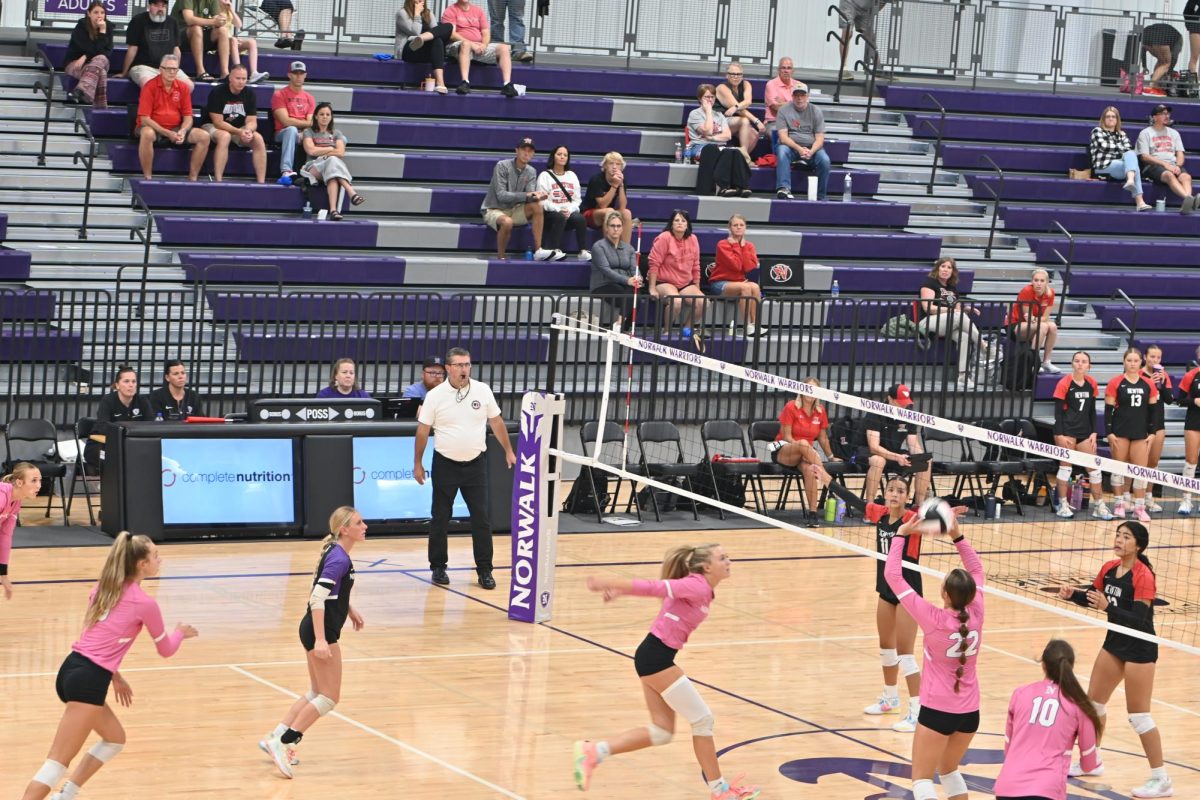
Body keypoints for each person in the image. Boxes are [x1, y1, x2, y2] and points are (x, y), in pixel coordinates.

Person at [573, 544, 762, 800]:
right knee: (702, 719)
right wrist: (610, 582)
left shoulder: (701, 588)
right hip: (656, 659)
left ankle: (595, 751)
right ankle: (721, 792)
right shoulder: (696, 585)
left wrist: (618, 591)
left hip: (653, 657)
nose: (729, 561)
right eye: (722, 558)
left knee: (661, 732)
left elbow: (667, 598)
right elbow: (655, 587)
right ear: (707, 567)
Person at [20, 532, 198, 800]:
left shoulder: (104, 586)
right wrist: (180, 633)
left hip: (73, 669)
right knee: (56, 763)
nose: (159, 561)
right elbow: (166, 650)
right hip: (89, 680)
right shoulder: (144, 604)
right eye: (155, 556)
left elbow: (97, 638)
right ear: (141, 564)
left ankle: (66, 795)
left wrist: (115, 675)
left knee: (114, 739)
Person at [1058, 521, 1172, 799]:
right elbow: (1094, 597)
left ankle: (1161, 779)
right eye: (1118, 535)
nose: (1119, 540)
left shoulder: (1143, 575)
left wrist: (1109, 608)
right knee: (1093, 705)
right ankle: (1091, 760)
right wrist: (1074, 595)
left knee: (1139, 717)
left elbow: (1141, 621)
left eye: (1126, 537)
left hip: (1140, 649)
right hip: (1115, 643)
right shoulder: (1109, 568)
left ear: (1138, 546)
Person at [260, 507, 366, 779]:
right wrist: (321, 639)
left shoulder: (336, 553)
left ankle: (276, 734)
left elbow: (326, 589)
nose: (365, 526)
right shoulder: (339, 559)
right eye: (359, 522)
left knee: (316, 692)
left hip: (313, 629)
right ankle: (284, 744)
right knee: (329, 698)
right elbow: (316, 599)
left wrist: (348, 607)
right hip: (321, 632)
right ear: (344, 529)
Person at [884, 507, 981, 800]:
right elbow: (976, 569)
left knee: (922, 780)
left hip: (938, 710)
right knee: (949, 771)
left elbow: (893, 575)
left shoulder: (933, 619)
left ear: (946, 595)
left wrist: (901, 535)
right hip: (970, 713)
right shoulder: (978, 610)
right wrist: (956, 534)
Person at [413, 347, 517, 590]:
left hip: (475, 465)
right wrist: (417, 463)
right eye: (459, 365)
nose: (464, 370)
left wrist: (508, 450)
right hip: (445, 464)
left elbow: (496, 421)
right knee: (440, 517)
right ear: (448, 368)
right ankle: (438, 567)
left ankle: (485, 570)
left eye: (467, 365)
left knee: (481, 519)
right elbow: (422, 430)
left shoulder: (482, 390)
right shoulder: (436, 396)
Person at [993, 639, 1104, 800]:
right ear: (1070, 667)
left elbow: (1008, 750)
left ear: (1043, 665)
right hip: (1046, 790)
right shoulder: (1078, 704)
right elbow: (1088, 764)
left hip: (1007, 788)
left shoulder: (1020, 693)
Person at [853, 478, 922, 733]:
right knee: (886, 647)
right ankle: (890, 699)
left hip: (907, 592)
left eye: (900, 491)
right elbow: (855, 502)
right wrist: (827, 480)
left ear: (907, 497)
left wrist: (947, 518)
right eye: (891, 490)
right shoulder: (880, 514)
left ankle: (917, 711)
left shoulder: (912, 520)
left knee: (905, 653)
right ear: (885, 493)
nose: (894, 494)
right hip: (885, 589)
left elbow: (932, 525)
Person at [1051, 351, 1112, 520]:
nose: (1080, 364)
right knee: (1065, 469)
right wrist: (1060, 435)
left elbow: (1092, 411)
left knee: (1095, 471)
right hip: (1066, 432)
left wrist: (1094, 432)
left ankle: (1099, 505)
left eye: (1084, 361)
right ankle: (1062, 504)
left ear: (1089, 365)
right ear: (1072, 364)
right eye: (1077, 361)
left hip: (1085, 432)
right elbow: (1057, 413)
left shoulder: (1091, 383)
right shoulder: (1064, 383)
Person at [767, 378, 839, 521]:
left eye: (814, 390)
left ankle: (813, 514)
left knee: (810, 470)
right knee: (804, 444)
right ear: (801, 390)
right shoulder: (791, 406)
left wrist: (831, 457)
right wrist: (804, 448)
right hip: (784, 450)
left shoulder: (820, 411)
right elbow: (787, 437)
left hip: (806, 454)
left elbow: (823, 438)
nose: (810, 392)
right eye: (807, 388)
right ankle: (827, 478)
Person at [481, 137, 561, 261]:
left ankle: (538, 250)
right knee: (507, 222)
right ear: (516, 150)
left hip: (515, 209)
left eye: (530, 151)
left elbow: (528, 197)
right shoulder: (502, 166)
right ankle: (501, 257)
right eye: (524, 149)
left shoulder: (531, 171)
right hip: (494, 209)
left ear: (533, 154)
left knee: (537, 205)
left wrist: (536, 197)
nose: (526, 153)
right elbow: (501, 195)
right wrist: (528, 195)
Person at [135, 54, 210, 181]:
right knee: (147, 133)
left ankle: (193, 178)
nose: (172, 72)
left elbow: (188, 117)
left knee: (204, 136)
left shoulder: (183, 87)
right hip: (153, 127)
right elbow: (145, 119)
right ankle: (148, 177)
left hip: (175, 128)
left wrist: (183, 130)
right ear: (161, 69)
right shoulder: (150, 86)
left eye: (175, 69)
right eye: (168, 68)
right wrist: (167, 133)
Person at [1104, 347, 1158, 522]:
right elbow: (1108, 410)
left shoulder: (1148, 383)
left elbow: (1153, 411)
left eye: (1135, 361)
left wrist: (1152, 432)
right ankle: (1119, 505)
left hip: (1140, 433)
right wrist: (1109, 432)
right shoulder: (1116, 382)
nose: (1132, 364)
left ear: (1140, 362)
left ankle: (1139, 507)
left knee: (1141, 472)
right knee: (1118, 469)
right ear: (1124, 362)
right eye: (1129, 360)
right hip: (1120, 432)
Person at [916, 256, 988, 388]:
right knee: (957, 316)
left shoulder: (952, 288)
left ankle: (963, 376)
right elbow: (928, 308)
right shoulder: (929, 283)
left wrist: (965, 309)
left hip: (948, 322)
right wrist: (951, 311)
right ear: (937, 268)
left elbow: (957, 310)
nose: (945, 270)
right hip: (928, 322)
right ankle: (983, 345)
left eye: (949, 267)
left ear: (952, 271)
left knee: (965, 337)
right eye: (943, 266)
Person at [859, 383, 931, 504]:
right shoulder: (875, 413)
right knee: (879, 461)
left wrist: (920, 457)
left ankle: (919, 506)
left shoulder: (909, 415)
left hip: (893, 454)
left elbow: (913, 444)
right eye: (900, 402)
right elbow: (874, 447)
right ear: (890, 399)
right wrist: (897, 457)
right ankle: (870, 507)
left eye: (905, 403)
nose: (903, 406)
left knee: (926, 461)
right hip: (867, 452)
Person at [648, 210, 706, 352]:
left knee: (703, 301)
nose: (680, 223)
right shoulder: (664, 237)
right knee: (677, 300)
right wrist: (652, 288)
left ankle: (686, 328)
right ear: (671, 224)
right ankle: (667, 331)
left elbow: (696, 265)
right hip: (664, 281)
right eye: (677, 220)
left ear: (687, 225)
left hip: (685, 282)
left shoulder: (693, 239)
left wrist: (697, 286)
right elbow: (654, 263)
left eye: (683, 221)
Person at [301, 102, 366, 221]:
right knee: (332, 161)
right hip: (313, 167)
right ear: (316, 116)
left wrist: (325, 154)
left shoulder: (336, 133)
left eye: (327, 114)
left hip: (330, 166)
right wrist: (330, 149)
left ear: (331, 117)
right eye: (321, 114)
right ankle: (351, 191)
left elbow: (341, 152)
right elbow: (311, 151)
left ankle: (333, 211)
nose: (325, 117)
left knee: (332, 172)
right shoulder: (308, 132)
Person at [441, 0, 518, 97]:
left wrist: (484, 45)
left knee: (504, 48)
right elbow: (451, 34)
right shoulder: (450, 10)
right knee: (466, 44)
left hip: (478, 46)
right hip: (458, 45)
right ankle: (465, 82)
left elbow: (485, 32)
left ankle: (507, 85)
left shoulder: (478, 11)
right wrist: (471, 44)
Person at [203, 63, 266, 183]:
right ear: (230, 78)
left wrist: (248, 130)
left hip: (238, 128)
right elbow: (218, 122)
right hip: (212, 125)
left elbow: (252, 120)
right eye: (238, 78)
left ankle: (261, 182)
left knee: (258, 139)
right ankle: (218, 180)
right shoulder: (218, 92)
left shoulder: (250, 93)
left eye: (244, 79)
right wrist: (239, 131)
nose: (241, 82)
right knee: (225, 136)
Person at [687, 84, 752, 197]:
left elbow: (727, 136)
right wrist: (708, 112)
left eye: (712, 97)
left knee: (735, 152)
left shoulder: (719, 115)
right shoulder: (694, 114)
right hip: (699, 147)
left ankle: (741, 187)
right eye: (706, 97)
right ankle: (723, 187)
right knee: (712, 149)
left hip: (717, 146)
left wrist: (712, 138)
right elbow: (707, 131)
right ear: (699, 99)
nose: (710, 100)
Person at [84, 366, 154, 470]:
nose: (131, 385)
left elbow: (150, 425)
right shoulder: (108, 401)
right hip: (102, 445)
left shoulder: (142, 401)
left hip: (132, 445)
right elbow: (103, 426)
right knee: (116, 459)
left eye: (134, 381)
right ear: (117, 385)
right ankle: (110, 485)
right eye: (126, 381)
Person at [774, 83, 831, 201]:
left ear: (807, 96)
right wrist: (799, 149)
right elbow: (783, 137)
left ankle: (820, 196)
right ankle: (784, 188)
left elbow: (820, 138)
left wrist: (811, 151)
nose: (799, 98)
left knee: (825, 160)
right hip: (791, 147)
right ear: (792, 96)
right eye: (797, 95)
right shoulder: (783, 111)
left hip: (812, 147)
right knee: (782, 150)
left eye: (802, 95)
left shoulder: (816, 111)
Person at [709, 213, 764, 336]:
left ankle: (755, 324)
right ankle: (747, 325)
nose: (738, 227)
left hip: (739, 282)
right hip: (720, 283)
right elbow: (737, 266)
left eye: (741, 225)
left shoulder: (749, 246)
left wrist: (743, 247)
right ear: (730, 228)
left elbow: (749, 267)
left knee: (754, 286)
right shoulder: (722, 244)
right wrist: (735, 245)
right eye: (735, 225)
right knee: (745, 287)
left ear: (745, 227)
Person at [1089, 106, 1151, 212]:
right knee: (1133, 165)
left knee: (1131, 154)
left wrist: (1122, 151)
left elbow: (1128, 149)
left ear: (1117, 120)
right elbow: (1105, 147)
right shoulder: (1097, 131)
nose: (1111, 118)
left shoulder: (1122, 134)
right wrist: (1121, 150)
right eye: (1108, 116)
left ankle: (1130, 180)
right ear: (1103, 119)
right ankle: (1139, 201)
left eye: (1113, 116)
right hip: (1103, 166)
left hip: (1120, 166)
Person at [119, 0, 192, 89]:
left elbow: (176, 50)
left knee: (189, 86)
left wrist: (175, 69)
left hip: (167, 67)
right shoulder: (137, 21)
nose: (160, 9)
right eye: (156, 5)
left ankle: (170, 103)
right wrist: (124, 72)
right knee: (149, 84)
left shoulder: (172, 22)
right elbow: (132, 49)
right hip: (143, 67)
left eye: (163, 6)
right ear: (149, 6)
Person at [1137, 103, 1196, 213]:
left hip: (1172, 164)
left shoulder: (1174, 133)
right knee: (1169, 175)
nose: (1167, 116)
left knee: (1186, 177)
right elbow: (1144, 157)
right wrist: (1165, 165)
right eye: (1163, 114)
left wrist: (1178, 165)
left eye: (1168, 113)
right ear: (1154, 117)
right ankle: (1189, 200)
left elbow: (1180, 153)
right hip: (1153, 165)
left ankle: (1188, 201)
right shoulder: (1145, 133)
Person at [536, 144, 589, 260]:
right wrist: (559, 209)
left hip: (567, 213)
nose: (562, 157)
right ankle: (554, 250)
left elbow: (577, 199)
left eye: (565, 155)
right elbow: (542, 201)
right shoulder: (545, 175)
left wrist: (569, 210)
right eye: (559, 154)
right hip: (550, 215)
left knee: (580, 218)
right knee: (559, 217)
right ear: (553, 156)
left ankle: (583, 251)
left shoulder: (572, 175)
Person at [589, 212, 641, 330]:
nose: (616, 229)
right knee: (623, 293)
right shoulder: (598, 247)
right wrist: (627, 280)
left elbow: (634, 268)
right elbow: (606, 270)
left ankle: (622, 326)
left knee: (637, 295)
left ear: (622, 228)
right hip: (602, 285)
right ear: (607, 228)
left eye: (618, 226)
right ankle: (620, 325)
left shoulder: (629, 248)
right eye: (612, 226)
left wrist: (638, 278)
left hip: (623, 284)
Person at [1, 463, 43, 600]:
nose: (39, 485)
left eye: (40, 480)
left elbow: (5, 537)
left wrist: (3, 575)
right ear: (19, 482)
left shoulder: (16, 502)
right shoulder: (1, 497)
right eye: (34, 481)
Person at [395, 0, 453, 94]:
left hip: (424, 49)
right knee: (433, 38)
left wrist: (425, 37)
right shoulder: (402, 13)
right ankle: (440, 82)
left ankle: (440, 83)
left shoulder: (428, 13)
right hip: (409, 49)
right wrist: (417, 13)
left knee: (448, 27)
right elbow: (415, 32)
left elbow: (436, 32)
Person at [1008, 268, 1060, 373]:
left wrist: (1036, 319)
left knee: (1053, 326)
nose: (1038, 283)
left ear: (1047, 282)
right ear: (1032, 281)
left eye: (1042, 281)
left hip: (1034, 324)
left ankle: (1046, 362)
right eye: (1036, 280)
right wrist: (1037, 320)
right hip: (1016, 326)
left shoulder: (1050, 294)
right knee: (1044, 326)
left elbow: (1046, 317)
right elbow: (1027, 317)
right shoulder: (1027, 291)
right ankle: (1033, 362)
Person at [272, 60, 316, 185]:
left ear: (305, 75)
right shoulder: (279, 95)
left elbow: (311, 122)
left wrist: (305, 131)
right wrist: (305, 125)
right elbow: (285, 121)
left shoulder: (309, 97)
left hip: (303, 133)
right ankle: (286, 170)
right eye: (295, 73)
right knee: (291, 129)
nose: (298, 76)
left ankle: (316, 172)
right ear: (289, 75)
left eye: (301, 73)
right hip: (282, 132)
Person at [64, 1, 113, 108]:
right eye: (96, 12)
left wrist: (103, 31)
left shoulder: (108, 28)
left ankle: (81, 90)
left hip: (99, 62)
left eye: (102, 13)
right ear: (89, 13)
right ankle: (100, 109)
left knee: (101, 57)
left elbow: (106, 52)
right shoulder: (81, 27)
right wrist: (85, 57)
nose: (99, 15)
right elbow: (84, 47)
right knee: (102, 73)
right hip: (76, 64)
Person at [1141, 344, 1172, 513]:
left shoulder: (1163, 375)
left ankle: (1148, 497)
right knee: (1137, 463)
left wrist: (1163, 382)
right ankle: (1132, 498)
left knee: (1153, 463)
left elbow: (1169, 399)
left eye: (1158, 357)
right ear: (1145, 358)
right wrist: (1149, 383)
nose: (1155, 360)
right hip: (1140, 424)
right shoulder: (1138, 374)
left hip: (1158, 423)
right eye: (1152, 357)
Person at [170, 0, 231, 82]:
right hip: (180, 37)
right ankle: (201, 72)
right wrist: (213, 21)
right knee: (196, 28)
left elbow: (217, 17)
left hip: (200, 35)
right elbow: (189, 20)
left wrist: (220, 20)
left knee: (222, 31)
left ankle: (225, 74)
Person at [582, 152, 634, 245]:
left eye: (618, 164)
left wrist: (621, 185)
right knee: (609, 211)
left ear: (621, 168)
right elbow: (602, 205)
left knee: (626, 213)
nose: (614, 167)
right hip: (589, 214)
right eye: (611, 163)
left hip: (608, 213)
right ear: (605, 165)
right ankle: (609, 250)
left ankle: (625, 250)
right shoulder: (596, 179)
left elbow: (622, 206)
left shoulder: (621, 180)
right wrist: (614, 186)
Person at [715, 62, 765, 153]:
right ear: (727, 75)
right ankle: (745, 158)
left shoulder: (746, 84)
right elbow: (741, 111)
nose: (736, 76)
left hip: (733, 120)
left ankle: (740, 158)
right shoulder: (722, 88)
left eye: (739, 74)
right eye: (732, 74)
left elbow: (748, 101)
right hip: (719, 121)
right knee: (744, 121)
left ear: (742, 76)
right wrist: (756, 121)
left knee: (754, 134)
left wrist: (735, 107)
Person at [214, 0, 269, 83]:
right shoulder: (214, 10)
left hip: (231, 41)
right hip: (219, 44)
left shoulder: (228, 12)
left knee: (252, 42)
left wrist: (231, 10)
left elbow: (239, 25)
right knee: (233, 40)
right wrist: (233, 39)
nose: (226, 1)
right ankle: (239, 72)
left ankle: (254, 73)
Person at [838, 0, 889, 80]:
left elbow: (880, 5)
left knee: (870, 37)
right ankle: (843, 69)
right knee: (848, 33)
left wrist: (870, 12)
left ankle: (878, 69)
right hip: (849, 3)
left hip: (865, 9)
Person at [1176, 348, 1200, 515]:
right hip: (1194, 421)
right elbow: (1180, 400)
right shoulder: (1191, 375)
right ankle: (1187, 500)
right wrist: (1194, 401)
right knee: (1191, 460)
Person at [1141, 23, 1183, 96]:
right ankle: (1151, 87)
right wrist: (1169, 71)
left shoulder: (1172, 36)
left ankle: (1155, 87)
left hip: (1145, 35)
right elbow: (1174, 58)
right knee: (1166, 63)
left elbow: (1143, 49)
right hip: (1160, 36)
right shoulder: (1178, 40)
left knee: (1161, 61)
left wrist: (1144, 66)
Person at [762, 57, 796, 138]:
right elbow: (776, 107)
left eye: (789, 68)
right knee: (780, 136)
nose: (786, 71)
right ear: (778, 70)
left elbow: (804, 107)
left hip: (795, 122)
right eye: (783, 68)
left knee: (807, 135)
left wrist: (783, 103)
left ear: (793, 71)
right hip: (775, 122)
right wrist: (794, 103)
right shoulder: (771, 84)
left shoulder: (799, 85)